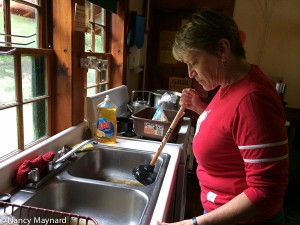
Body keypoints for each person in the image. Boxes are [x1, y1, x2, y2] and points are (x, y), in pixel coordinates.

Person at [156, 8, 288, 225]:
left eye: (194, 62)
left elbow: (266, 191)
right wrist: (200, 108)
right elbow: (229, 130)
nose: (190, 73)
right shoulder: (229, 85)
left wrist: (195, 223)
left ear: (222, 50)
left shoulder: (253, 100)